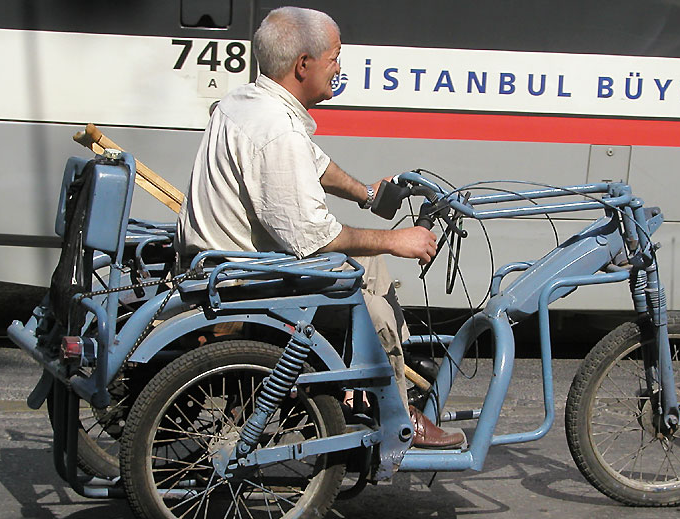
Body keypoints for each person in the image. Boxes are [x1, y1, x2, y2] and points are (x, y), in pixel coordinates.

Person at [175, 6, 464, 449]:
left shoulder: (249, 102)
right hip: (246, 278)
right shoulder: (277, 131)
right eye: (335, 58)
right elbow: (317, 238)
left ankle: (380, 376)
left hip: (223, 260)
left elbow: (316, 164)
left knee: (372, 266)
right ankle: (396, 410)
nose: (339, 68)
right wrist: (397, 241)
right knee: (366, 275)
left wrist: (368, 194)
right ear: (303, 65)